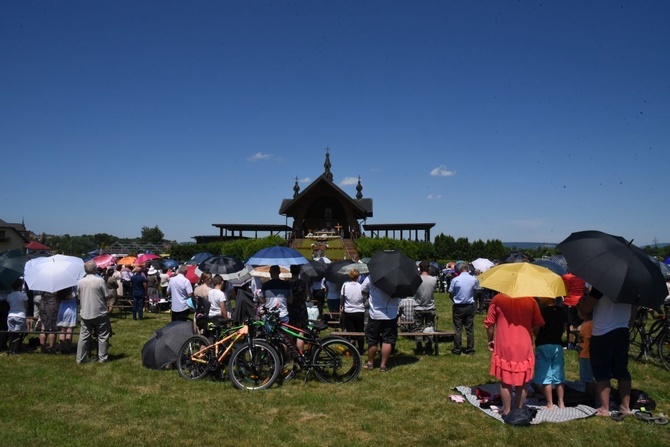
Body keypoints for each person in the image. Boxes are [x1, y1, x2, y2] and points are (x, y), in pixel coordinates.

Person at [484, 293, 544, 416]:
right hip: (524, 343)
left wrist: (490, 339)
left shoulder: (497, 299)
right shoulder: (531, 301)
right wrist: (533, 332)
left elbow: (489, 323)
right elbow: (538, 323)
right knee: (522, 381)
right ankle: (519, 409)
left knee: (505, 381)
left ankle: (507, 410)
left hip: (504, 343)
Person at [578, 287, 634, 417]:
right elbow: (634, 310)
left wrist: (581, 302)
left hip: (603, 331)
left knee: (602, 371)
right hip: (622, 329)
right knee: (622, 370)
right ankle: (625, 407)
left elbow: (587, 308)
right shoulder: (630, 287)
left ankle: (604, 407)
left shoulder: (601, 286)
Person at [532, 297, 567, 410]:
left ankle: (550, 403)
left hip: (543, 344)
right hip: (557, 344)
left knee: (545, 376)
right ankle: (561, 402)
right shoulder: (562, 311)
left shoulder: (541, 312)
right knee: (559, 376)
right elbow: (564, 327)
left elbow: (536, 329)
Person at [361, 274, 400, 372]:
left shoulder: (372, 276)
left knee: (372, 339)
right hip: (391, 314)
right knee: (387, 340)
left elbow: (363, 290)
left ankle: (370, 363)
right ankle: (383, 365)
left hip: (375, 313)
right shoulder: (396, 278)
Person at [76, 260, 111, 364]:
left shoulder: (80, 282)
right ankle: (102, 358)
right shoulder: (99, 281)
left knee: (84, 336)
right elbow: (106, 295)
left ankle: (80, 358)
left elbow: (78, 297)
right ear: (95, 269)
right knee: (103, 336)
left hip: (86, 311)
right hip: (100, 311)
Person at [448, 262, 478, 355]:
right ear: (467, 269)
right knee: (469, 329)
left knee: (458, 329)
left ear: (460, 269)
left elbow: (451, 293)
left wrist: (455, 300)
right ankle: (470, 349)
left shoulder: (455, 280)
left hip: (458, 306)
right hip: (469, 305)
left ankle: (457, 349)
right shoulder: (473, 279)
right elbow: (476, 290)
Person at [413, 260, 437, 355]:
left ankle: (419, 346)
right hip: (430, 307)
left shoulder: (416, 279)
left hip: (418, 307)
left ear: (420, 268)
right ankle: (428, 346)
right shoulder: (434, 279)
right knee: (429, 327)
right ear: (428, 268)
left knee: (418, 328)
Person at [577, 296, 597, 406]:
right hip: (591, 355)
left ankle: (589, 397)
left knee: (587, 378)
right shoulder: (593, 324)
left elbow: (584, 342)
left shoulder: (586, 326)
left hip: (585, 355)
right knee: (592, 377)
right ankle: (593, 395)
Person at [339, 268, 365, 352]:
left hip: (349, 311)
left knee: (351, 331)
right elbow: (364, 298)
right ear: (358, 277)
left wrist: (341, 305)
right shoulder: (361, 286)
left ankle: (353, 349)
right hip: (359, 310)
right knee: (360, 331)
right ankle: (361, 349)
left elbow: (342, 297)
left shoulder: (345, 285)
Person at [562, 270, 587, 349]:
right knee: (580, 323)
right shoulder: (584, 278)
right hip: (580, 302)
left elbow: (562, 288)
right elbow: (586, 290)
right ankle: (580, 343)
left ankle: (570, 343)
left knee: (570, 324)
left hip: (570, 301)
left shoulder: (566, 277)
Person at [289, 265, 309, 351]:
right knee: (300, 332)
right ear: (299, 271)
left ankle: (289, 353)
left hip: (290, 308)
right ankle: (300, 353)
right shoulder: (303, 283)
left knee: (289, 331)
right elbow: (306, 296)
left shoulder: (288, 283)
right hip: (301, 308)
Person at [6, 278, 28, 354]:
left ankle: (10, 348)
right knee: (17, 334)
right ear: (20, 286)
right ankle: (15, 349)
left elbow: (9, 305)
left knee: (11, 334)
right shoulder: (23, 295)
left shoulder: (9, 296)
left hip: (11, 315)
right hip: (20, 315)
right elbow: (26, 306)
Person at [56, 287, 78, 353]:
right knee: (69, 328)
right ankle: (68, 347)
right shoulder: (73, 287)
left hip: (62, 307)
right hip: (71, 307)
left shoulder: (61, 288)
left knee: (63, 329)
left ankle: (62, 347)